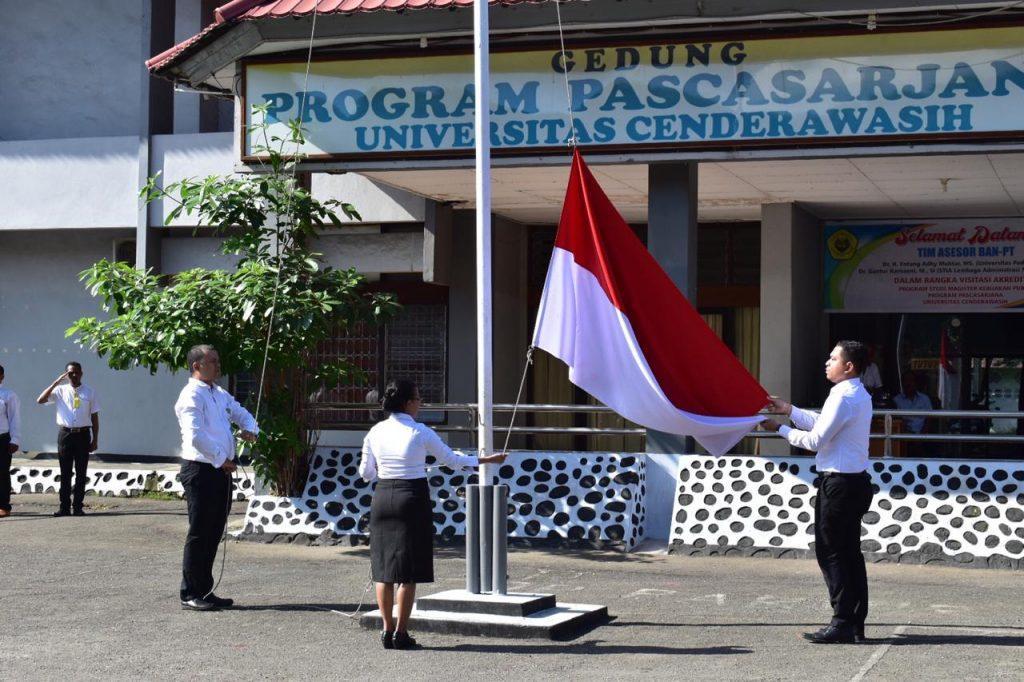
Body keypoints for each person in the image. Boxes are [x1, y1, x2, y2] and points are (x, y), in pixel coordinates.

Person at [360, 379, 506, 650]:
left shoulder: (375, 431)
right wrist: (487, 460)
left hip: (382, 498)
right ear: (407, 403)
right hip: (411, 497)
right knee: (408, 571)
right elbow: (453, 460)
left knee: (383, 570)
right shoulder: (420, 432)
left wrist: (384, 469)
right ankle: (401, 634)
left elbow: (366, 473)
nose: (421, 403)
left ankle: (386, 630)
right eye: (417, 398)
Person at [761, 340, 874, 644]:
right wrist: (789, 410)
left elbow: (815, 440)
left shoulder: (843, 398)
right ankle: (853, 621)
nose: (827, 362)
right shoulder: (854, 393)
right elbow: (823, 424)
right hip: (854, 483)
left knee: (832, 553)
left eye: (834, 358)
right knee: (849, 554)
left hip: (839, 486)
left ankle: (841, 622)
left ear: (849, 366)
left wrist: (778, 428)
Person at [174, 344, 258, 612]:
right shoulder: (191, 396)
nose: (218, 366)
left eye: (218, 360)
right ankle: (190, 592)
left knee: (213, 531)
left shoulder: (218, 393)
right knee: (199, 532)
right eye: (213, 361)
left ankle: (205, 589)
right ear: (197, 365)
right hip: (201, 469)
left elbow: (239, 411)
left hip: (220, 469)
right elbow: (195, 436)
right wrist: (222, 458)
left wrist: (250, 428)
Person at [37, 362, 100, 517]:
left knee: (81, 471)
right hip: (65, 435)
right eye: (70, 373)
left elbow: (95, 417)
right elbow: (40, 400)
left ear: (81, 373)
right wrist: (55, 383)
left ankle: (78, 507)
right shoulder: (59, 390)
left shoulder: (89, 392)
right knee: (65, 472)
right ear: (65, 374)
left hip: (83, 435)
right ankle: (64, 507)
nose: (74, 375)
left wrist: (95, 439)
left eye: (76, 372)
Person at [0, 364, 22, 519]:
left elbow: (15, 419)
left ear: (2, 377)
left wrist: (15, 439)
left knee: (2, 473)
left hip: (2, 439)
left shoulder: (8, 395)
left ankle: (4, 506)